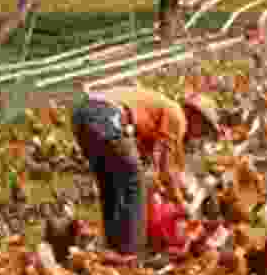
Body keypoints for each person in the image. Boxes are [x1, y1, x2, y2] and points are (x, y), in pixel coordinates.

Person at [71, 86, 220, 256]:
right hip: (104, 114)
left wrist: (163, 189)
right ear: (196, 117)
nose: (199, 136)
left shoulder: (156, 116)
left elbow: (148, 163)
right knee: (135, 181)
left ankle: (115, 249)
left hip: (84, 114)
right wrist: (181, 203)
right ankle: (132, 253)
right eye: (204, 130)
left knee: (112, 185)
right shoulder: (177, 116)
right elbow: (166, 170)